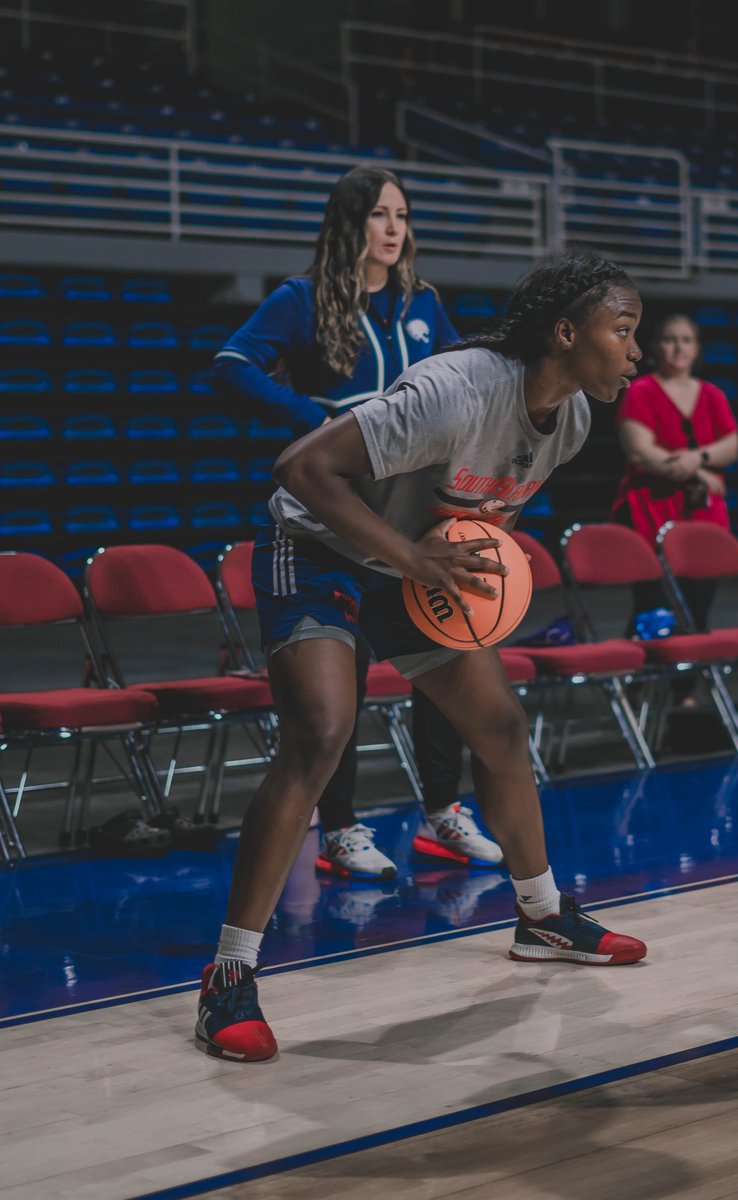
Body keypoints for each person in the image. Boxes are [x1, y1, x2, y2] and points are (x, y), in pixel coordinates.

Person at [196, 249, 650, 1062]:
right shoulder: (457, 388)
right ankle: (229, 974)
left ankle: (542, 919)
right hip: (319, 544)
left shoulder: (573, 420)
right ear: (565, 331)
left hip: (411, 563)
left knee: (501, 728)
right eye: (623, 331)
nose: (635, 351)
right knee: (321, 733)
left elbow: (476, 515)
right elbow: (301, 468)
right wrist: (413, 562)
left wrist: (463, 581)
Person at [213, 166, 502, 880]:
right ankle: (339, 830)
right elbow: (230, 363)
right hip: (334, 508)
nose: (394, 227)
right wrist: (314, 419)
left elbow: (467, 375)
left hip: (410, 506)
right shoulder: (302, 297)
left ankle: (442, 815)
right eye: (379, 214)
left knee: (441, 656)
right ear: (351, 224)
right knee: (344, 677)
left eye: (402, 214)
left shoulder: (423, 302)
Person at [610, 313, 738, 631]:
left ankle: (689, 678)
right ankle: (641, 676)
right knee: (654, 608)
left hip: (703, 514)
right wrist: (698, 472)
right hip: (651, 512)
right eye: (670, 339)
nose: (678, 348)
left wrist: (696, 458)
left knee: (698, 608)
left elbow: (731, 447)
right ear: (656, 347)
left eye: (686, 340)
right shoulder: (641, 391)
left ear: (696, 348)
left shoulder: (712, 394)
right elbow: (641, 452)